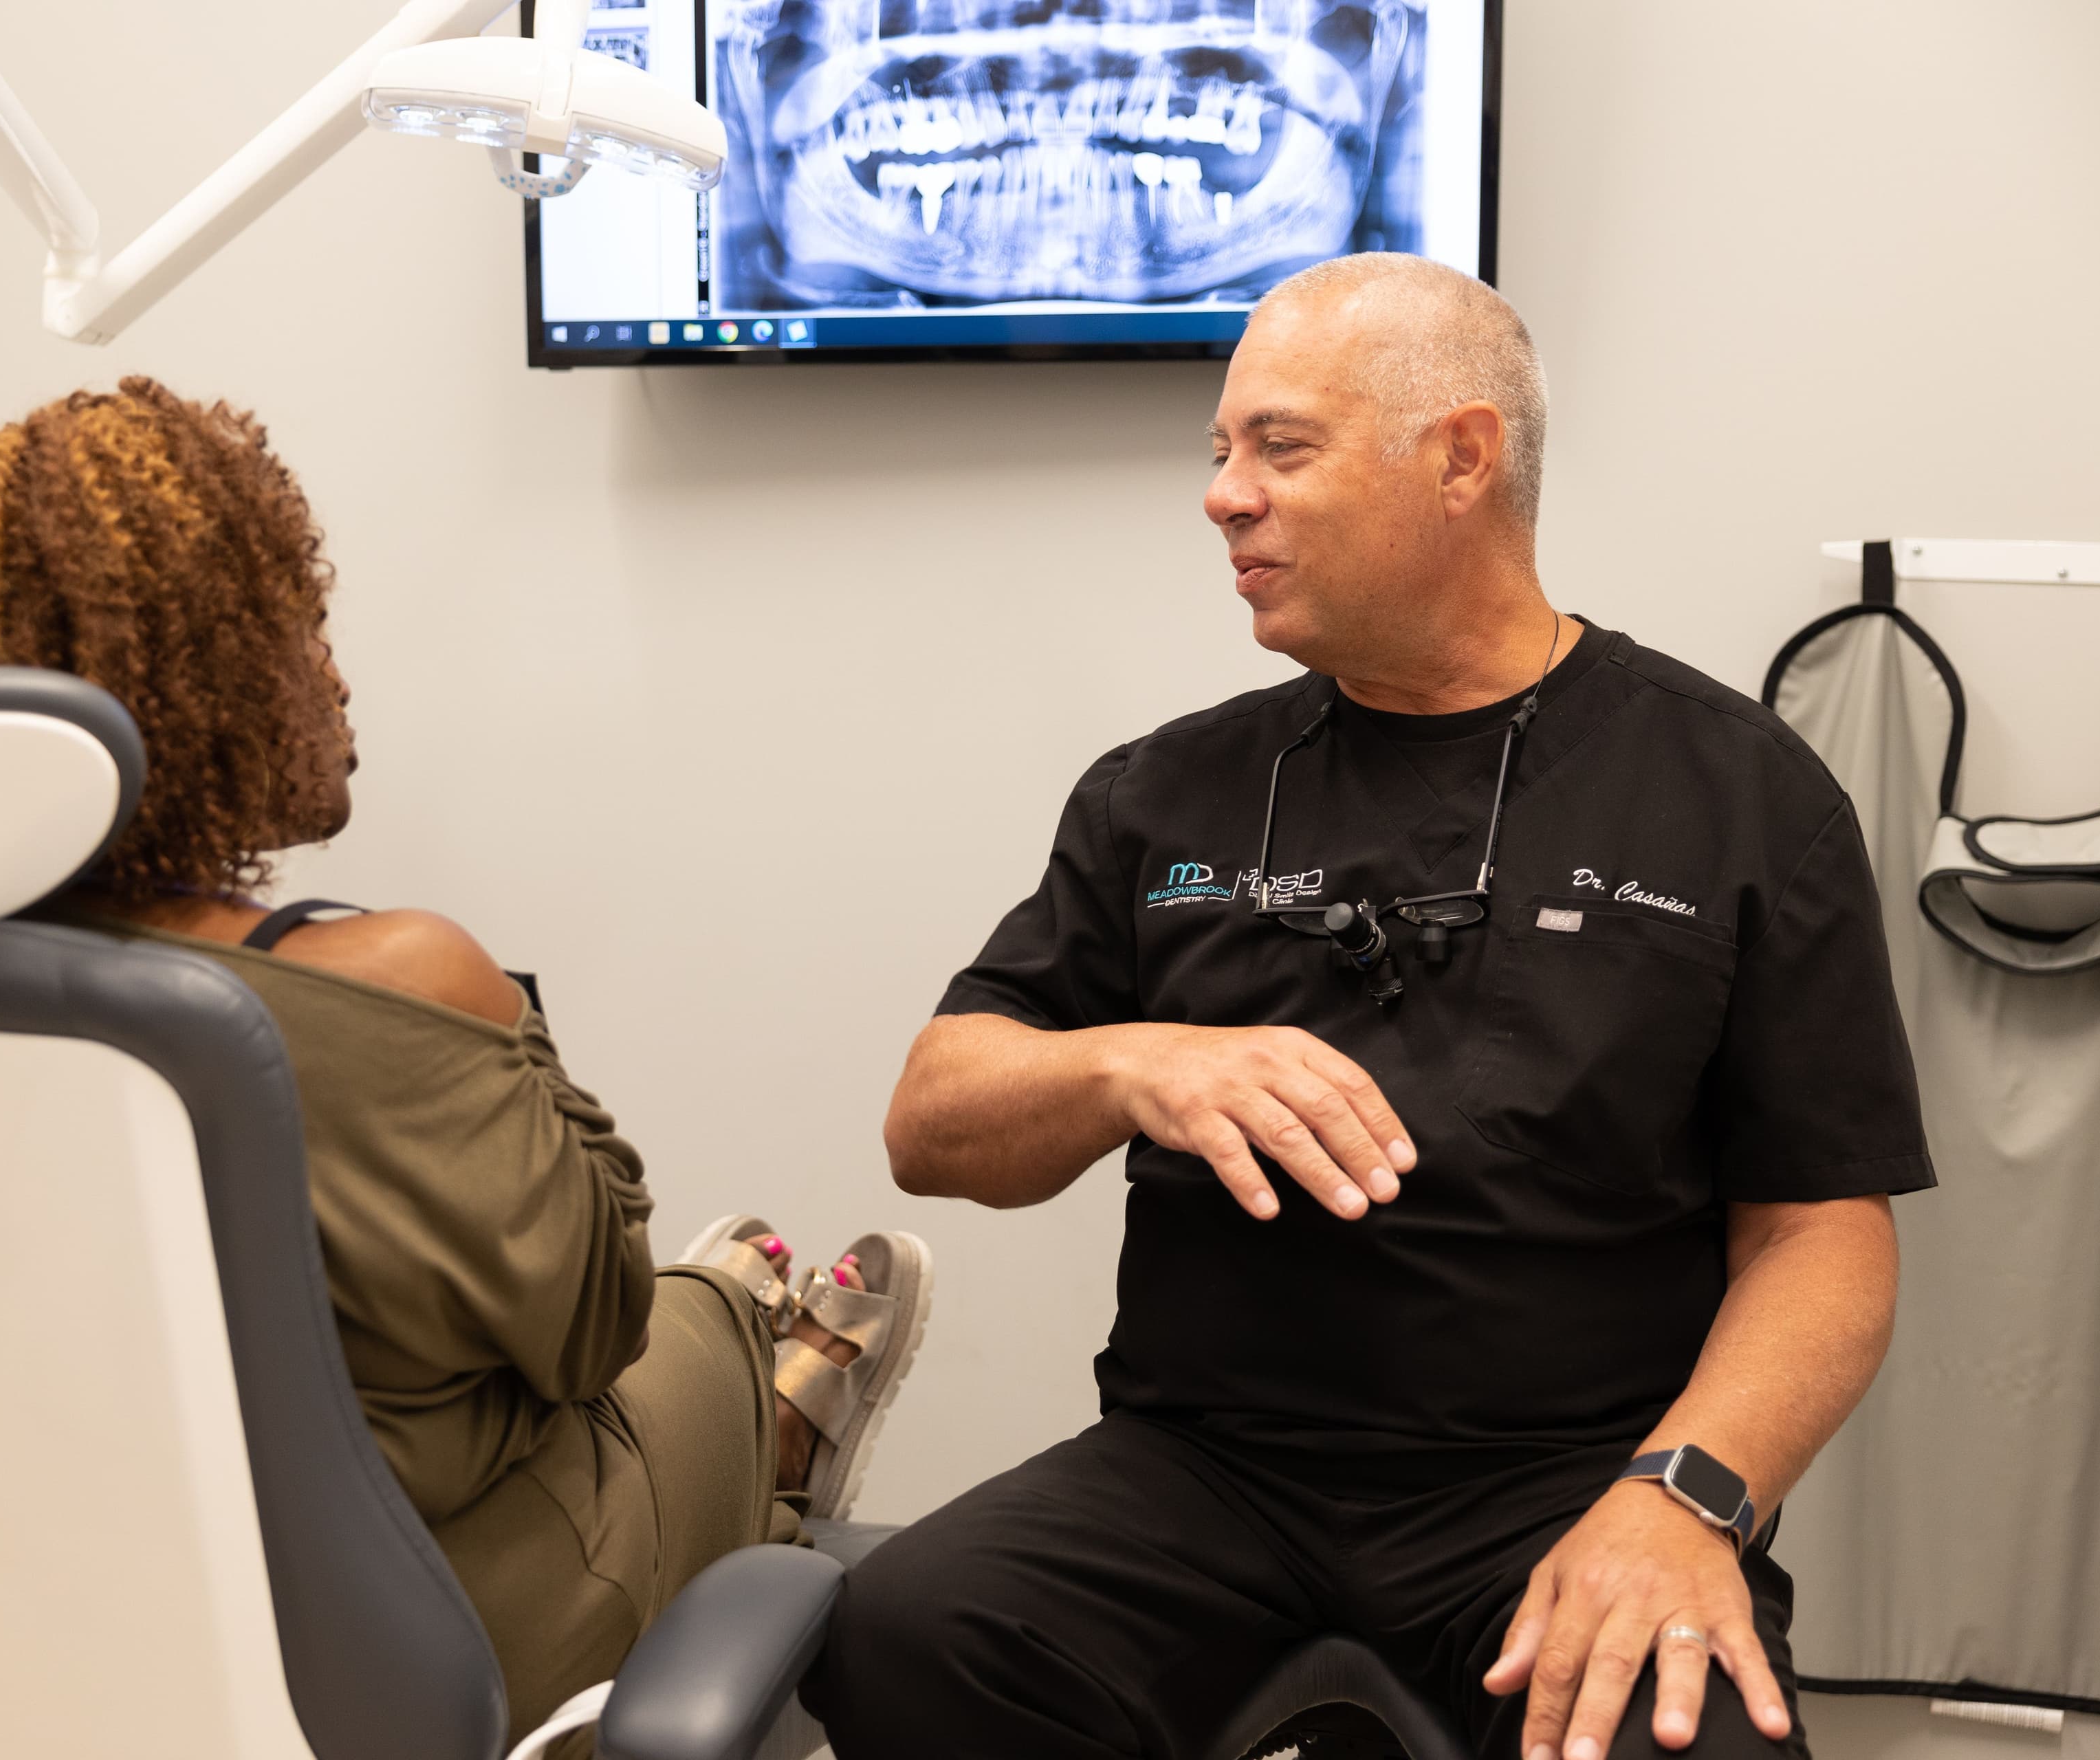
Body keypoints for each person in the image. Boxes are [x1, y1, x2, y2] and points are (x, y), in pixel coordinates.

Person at [803, 255, 1932, 1760]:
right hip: (1204, 1474)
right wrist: (1137, 1064)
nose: (1223, 496)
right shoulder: (1169, 791)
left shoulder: (1736, 797)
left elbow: (1822, 1230)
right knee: (909, 1635)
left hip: (1568, 1478)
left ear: (1461, 457)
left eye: (1279, 445)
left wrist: (1684, 1497)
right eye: (1218, 453)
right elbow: (934, 1118)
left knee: (1690, 1739)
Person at [0, 377, 934, 1741]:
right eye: (298, 630)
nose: (336, 672)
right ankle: (776, 1394)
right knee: (676, 1320)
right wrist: (505, 1038)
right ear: (187, 693)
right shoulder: (390, 980)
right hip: (367, 1664)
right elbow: (590, 1324)